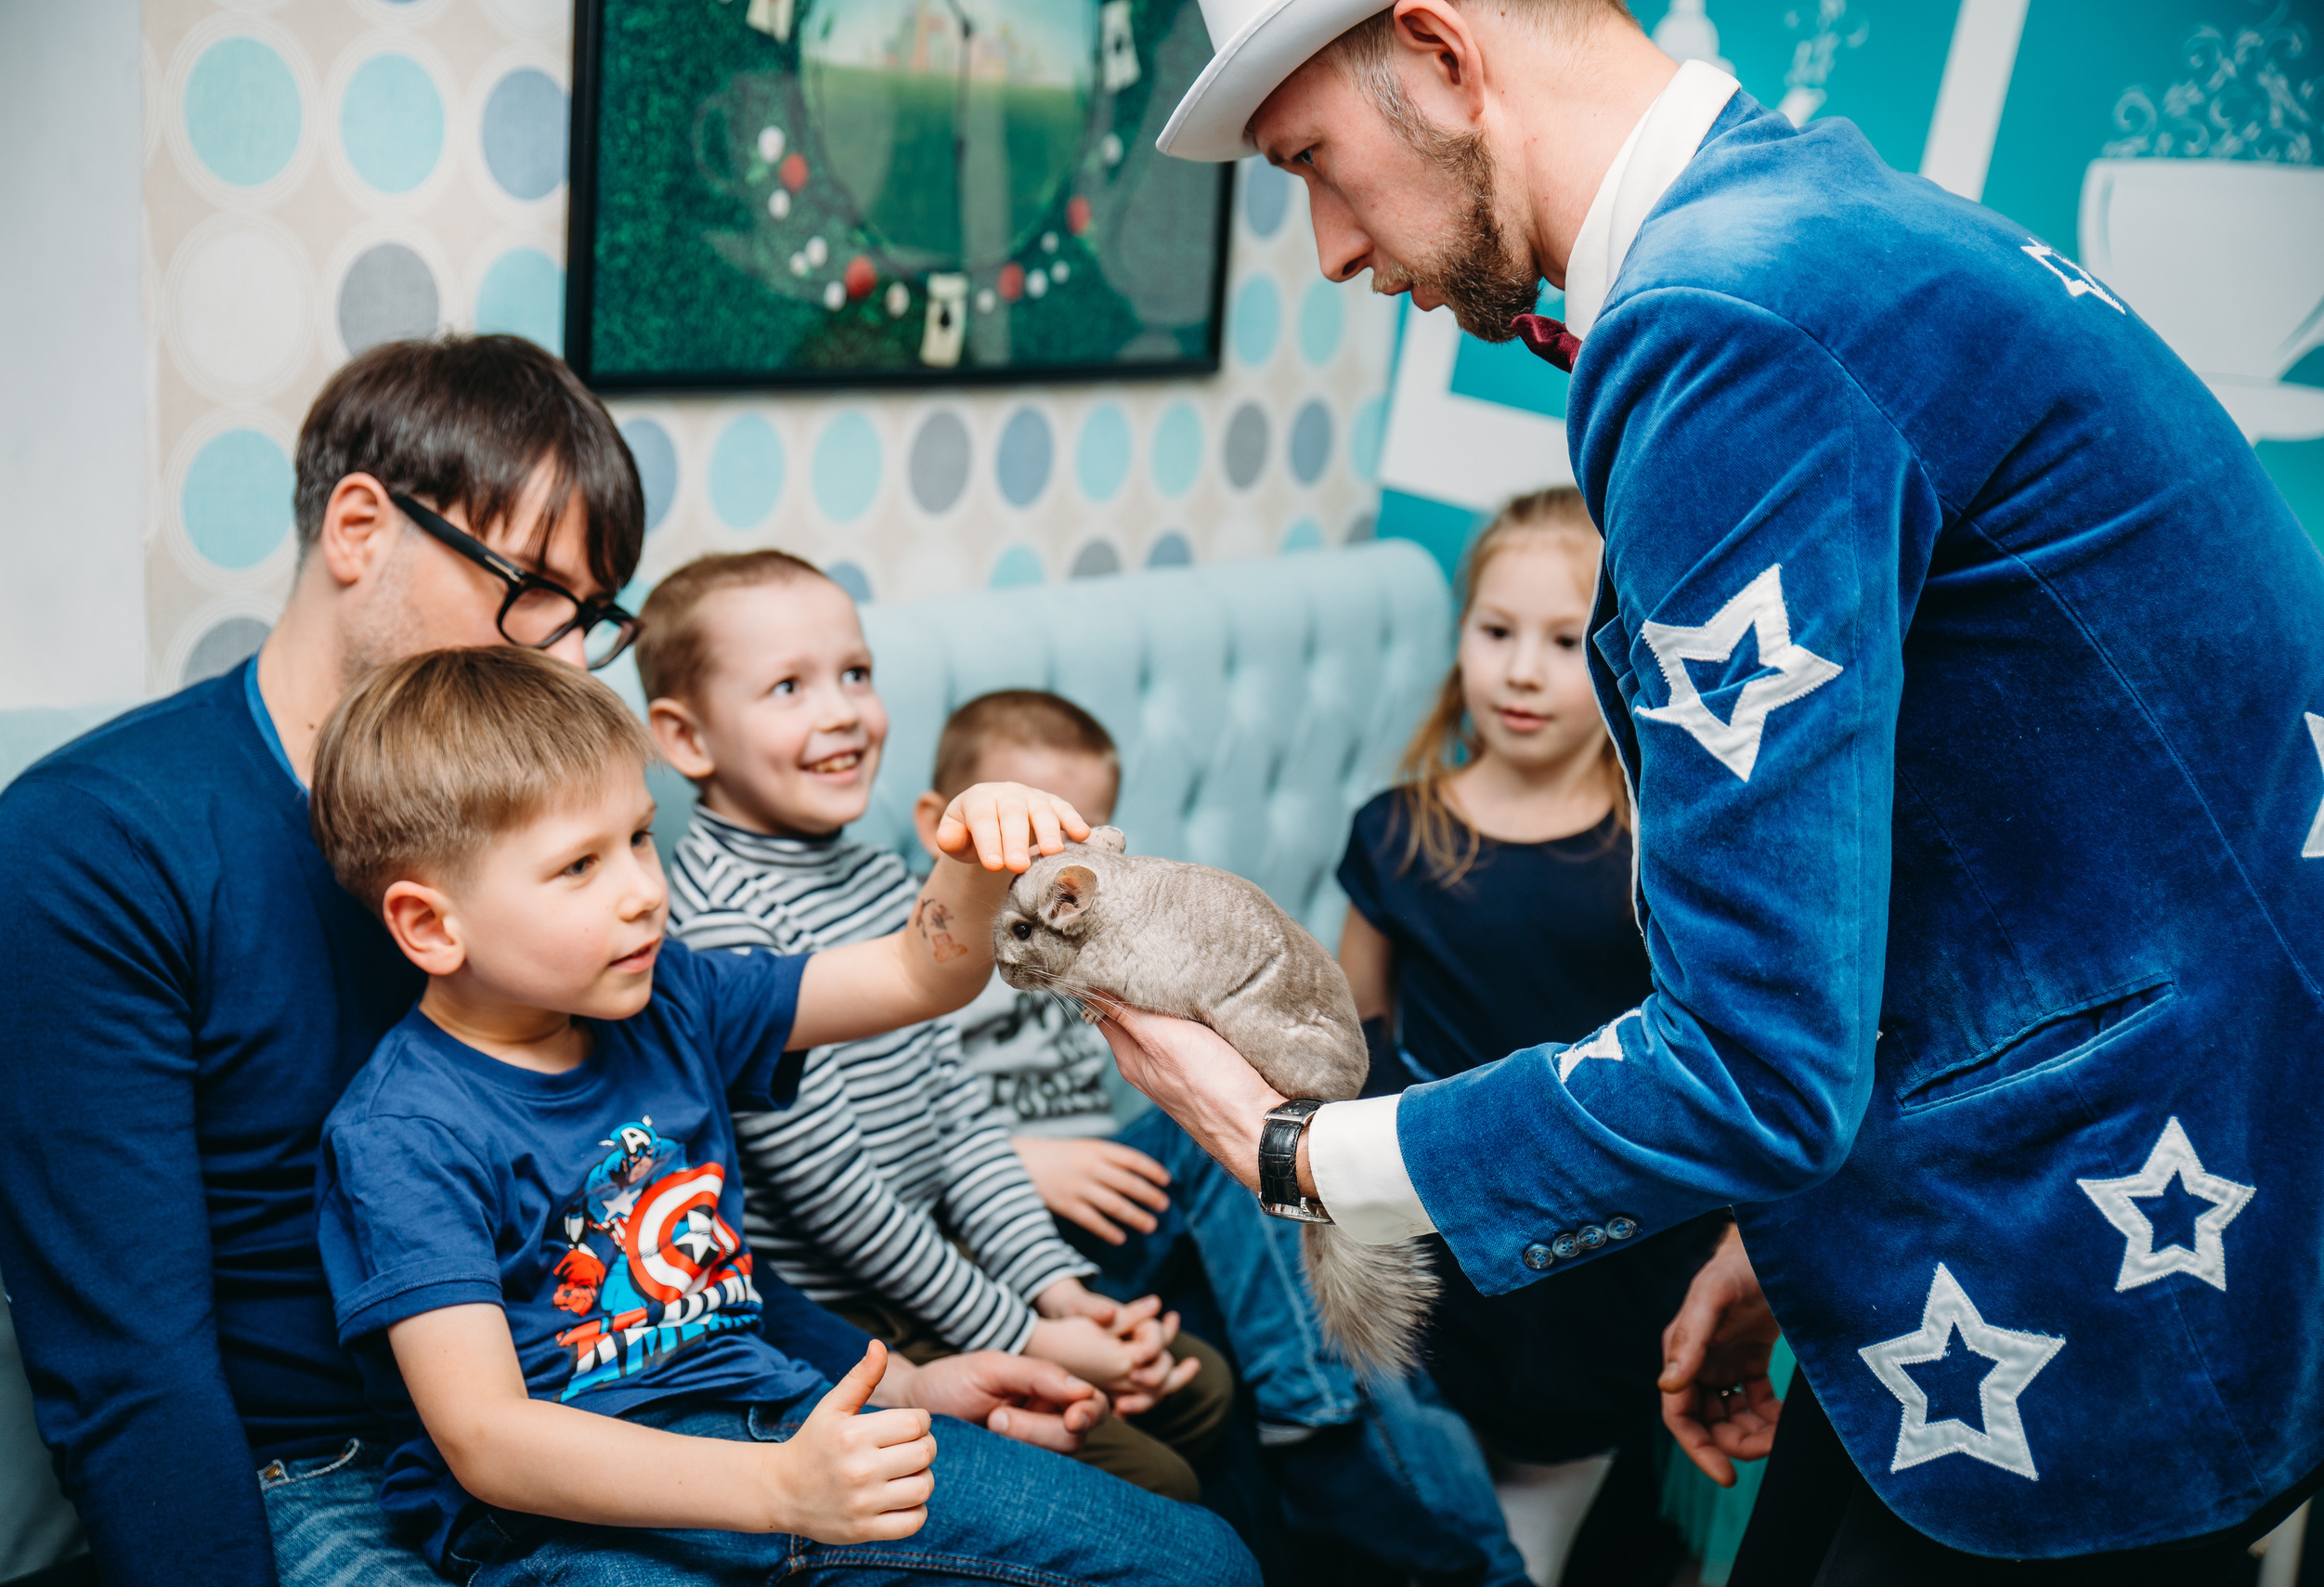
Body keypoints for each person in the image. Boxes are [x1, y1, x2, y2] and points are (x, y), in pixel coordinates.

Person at [1102, 2, 2324, 1581]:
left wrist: (1296, 1151)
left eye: (1315, 164)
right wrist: (1790, 1220)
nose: (1329, 246)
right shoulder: (1827, 217)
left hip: (2107, 1275)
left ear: (1442, 53)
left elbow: (1748, 1055)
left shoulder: (1725, 319)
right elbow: (2008, 844)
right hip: (2159, 1187)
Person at [0, 335, 1176, 1587]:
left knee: (1172, 1532)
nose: (569, 654)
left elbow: (644, 1199)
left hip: (650, 1401)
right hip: (339, 1466)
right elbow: (131, 1371)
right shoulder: (91, 850)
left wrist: (881, 1374)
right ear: (360, 527)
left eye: (592, 612)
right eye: (529, 585)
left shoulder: (567, 847)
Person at [305, 644, 1255, 1587]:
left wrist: (969, 856)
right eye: (578, 866)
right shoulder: (403, 1130)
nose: (644, 890)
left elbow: (912, 974)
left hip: (787, 1423)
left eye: (638, 838)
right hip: (563, 1521)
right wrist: (773, 1487)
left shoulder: (673, 996)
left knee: (1208, 1561)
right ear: (432, 924)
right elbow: (489, 1438)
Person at [635, 551, 1234, 1502]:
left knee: (1202, 1386)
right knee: (1161, 1471)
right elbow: (834, 1197)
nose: (840, 710)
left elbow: (957, 1115)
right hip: (847, 1313)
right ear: (687, 735)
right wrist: (1024, 1333)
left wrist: (1051, 1284)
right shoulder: (721, 927)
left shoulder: (883, 878)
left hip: (945, 1259)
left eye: (855, 674)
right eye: (788, 685)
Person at [917, 688, 1539, 1587]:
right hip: (1007, 1224)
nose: (1053, 876)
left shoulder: (1098, 936)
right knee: (1267, 1172)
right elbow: (873, 1148)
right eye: (1023, 842)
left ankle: (1401, 1496)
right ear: (946, 823)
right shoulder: (923, 957)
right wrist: (1015, 1158)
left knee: (1284, 1213)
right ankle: (1328, 1441)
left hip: (1124, 1200)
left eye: (1073, 842)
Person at [1335, 491, 1721, 1585]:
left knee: (1546, 1498)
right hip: (1438, 1216)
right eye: (1494, 631)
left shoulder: (1656, 838)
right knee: (1445, 1467)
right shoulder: (1397, 828)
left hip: (1609, 1231)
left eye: (1563, 641)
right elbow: (1352, 1024)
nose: (1519, 670)